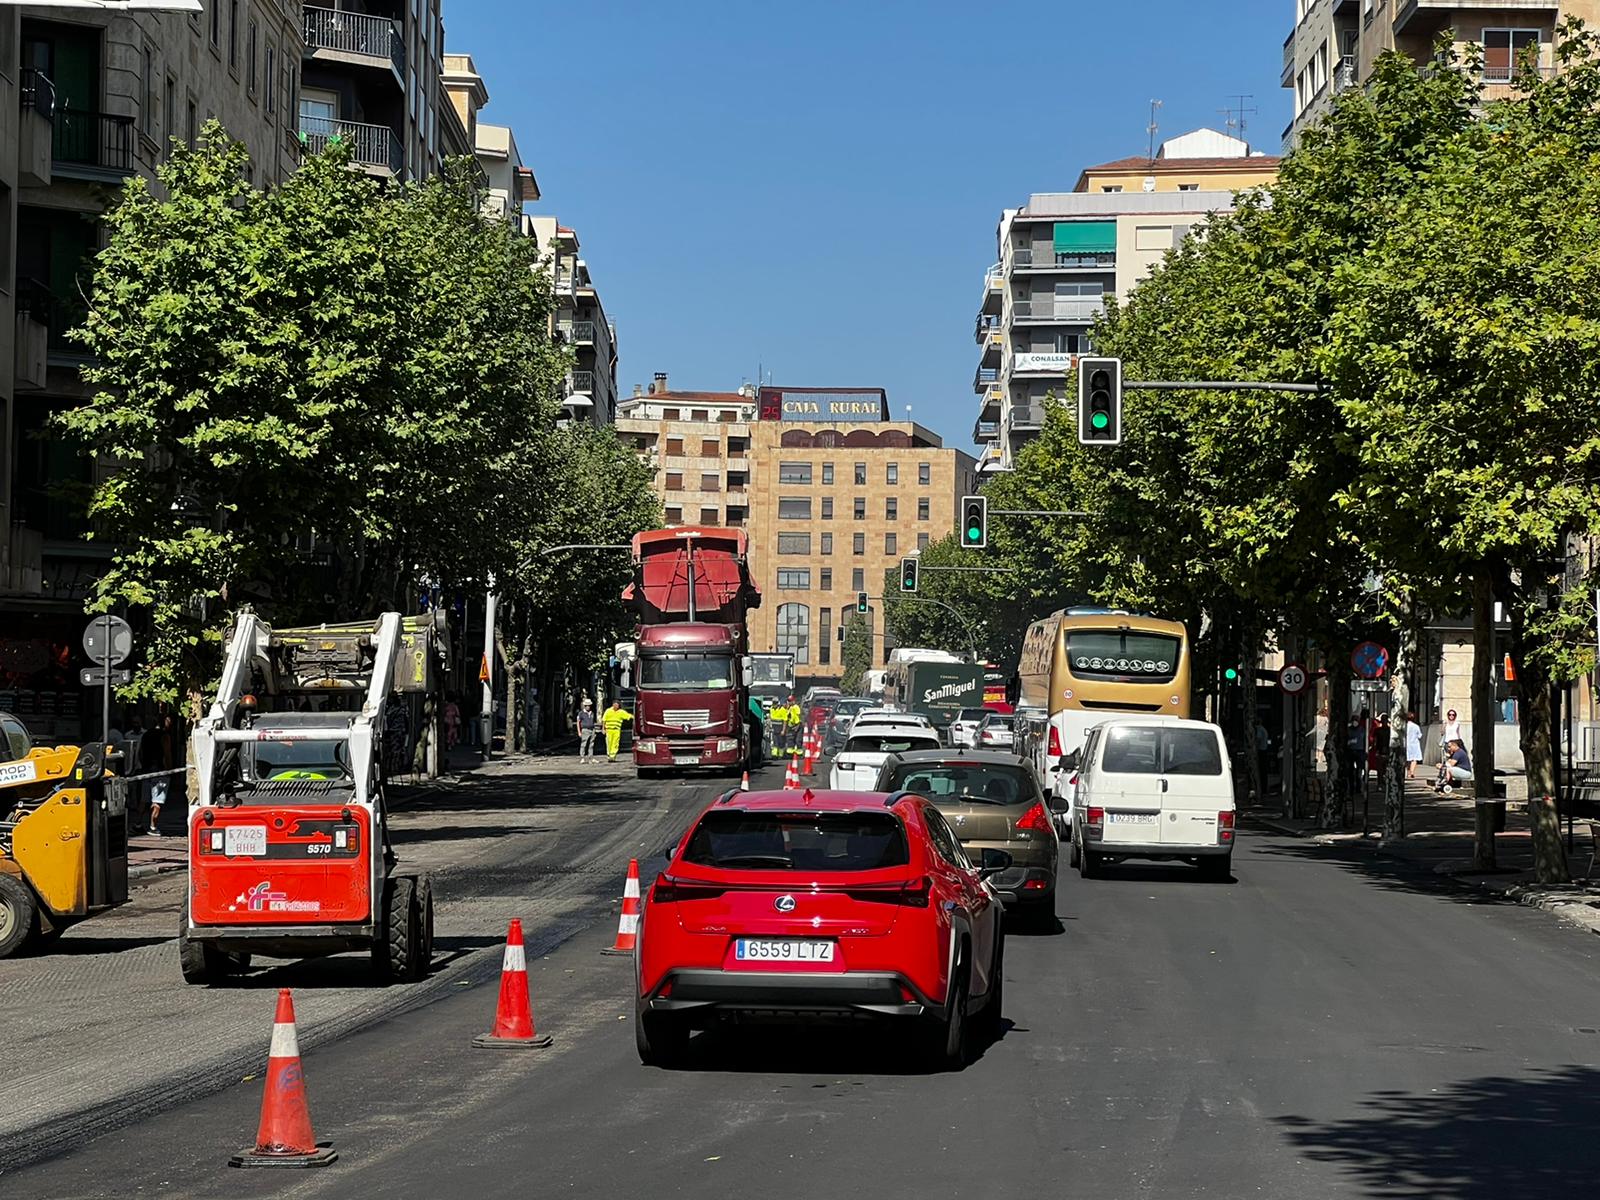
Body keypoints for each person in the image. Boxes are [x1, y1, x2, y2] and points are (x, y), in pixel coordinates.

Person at [142, 713, 175, 837]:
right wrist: (169, 769)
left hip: (146, 770)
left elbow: (140, 752)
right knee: (157, 800)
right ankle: (153, 826)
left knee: (144, 799)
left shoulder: (146, 734)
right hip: (160, 771)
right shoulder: (164, 736)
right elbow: (167, 753)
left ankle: (138, 824)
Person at [577, 698, 597, 763]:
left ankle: (591, 757)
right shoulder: (581, 713)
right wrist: (579, 731)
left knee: (591, 744)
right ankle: (582, 757)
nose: (588, 707)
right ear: (585, 706)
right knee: (584, 744)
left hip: (592, 729)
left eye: (589, 705)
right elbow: (578, 722)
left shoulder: (592, 713)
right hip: (585, 730)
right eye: (587, 705)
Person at [1404, 711, 1423, 780]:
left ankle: (1408, 772)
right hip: (1415, 744)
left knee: (1407, 759)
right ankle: (1412, 772)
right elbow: (1420, 735)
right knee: (1414, 759)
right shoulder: (1416, 726)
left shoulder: (1404, 726)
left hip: (1407, 743)